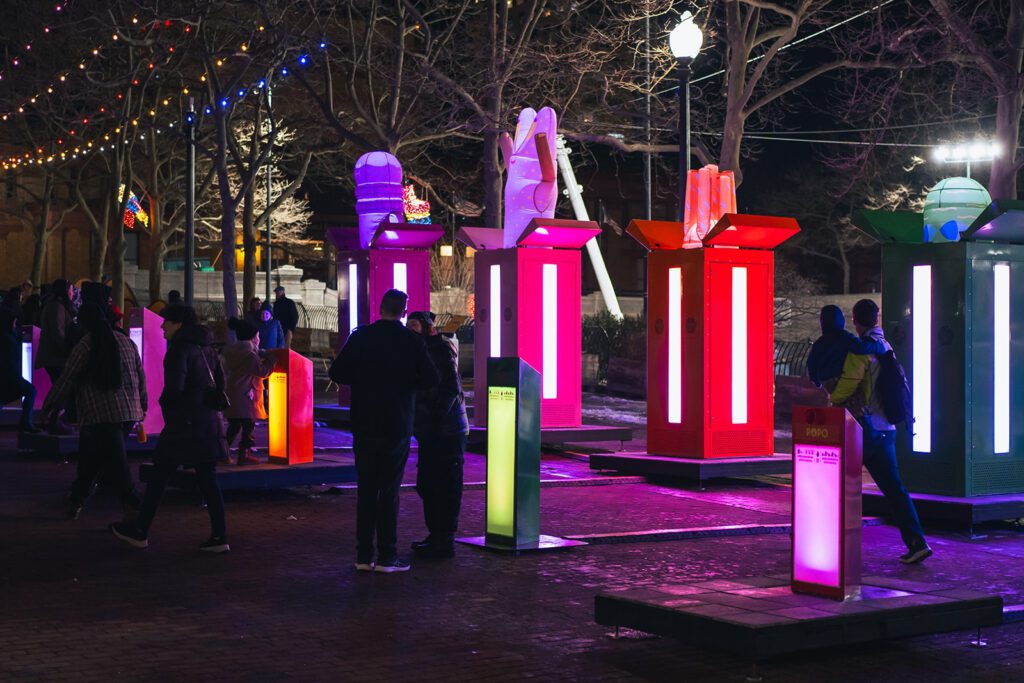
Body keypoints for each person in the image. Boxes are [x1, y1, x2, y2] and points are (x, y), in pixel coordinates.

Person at [330, 289, 439, 573]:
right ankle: (388, 555)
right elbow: (430, 378)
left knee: (366, 487)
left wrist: (365, 379)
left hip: (365, 420)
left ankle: (364, 555)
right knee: (389, 489)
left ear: (380, 307)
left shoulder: (361, 337)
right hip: (397, 421)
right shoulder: (411, 342)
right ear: (404, 312)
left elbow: (337, 373)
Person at [110, 304, 231, 553]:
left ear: (178, 324)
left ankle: (140, 530)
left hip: (183, 424)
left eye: (166, 322)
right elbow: (220, 382)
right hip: (208, 421)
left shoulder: (179, 350)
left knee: (159, 476)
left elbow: (174, 389)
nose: (162, 326)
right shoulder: (207, 346)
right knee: (208, 479)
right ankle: (220, 536)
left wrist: (167, 409)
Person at [828, 299, 932, 565]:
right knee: (895, 490)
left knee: (833, 483)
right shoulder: (886, 346)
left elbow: (845, 389)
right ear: (876, 319)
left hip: (863, 429)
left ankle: (826, 542)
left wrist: (831, 392)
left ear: (855, 319)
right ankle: (917, 542)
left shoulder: (860, 349)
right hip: (886, 430)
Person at [41, 303, 146, 520]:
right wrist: (142, 406)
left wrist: (49, 406)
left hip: (99, 414)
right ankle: (78, 500)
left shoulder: (86, 344)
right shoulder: (126, 342)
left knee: (114, 461)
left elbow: (67, 379)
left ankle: (134, 506)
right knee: (94, 458)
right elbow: (140, 375)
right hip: (129, 412)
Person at [406, 311, 468, 559]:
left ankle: (444, 540)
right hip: (432, 431)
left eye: (414, 326)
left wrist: (433, 418)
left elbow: (450, 391)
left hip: (447, 431)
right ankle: (436, 536)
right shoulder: (420, 352)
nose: (409, 331)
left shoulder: (438, 351)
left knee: (445, 485)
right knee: (428, 484)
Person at [223, 318, 274, 465]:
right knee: (248, 427)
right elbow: (262, 372)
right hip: (247, 395)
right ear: (253, 338)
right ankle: (244, 455)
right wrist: (271, 360)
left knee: (233, 426)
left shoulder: (232, 352)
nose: (259, 339)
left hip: (233, 393)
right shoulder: (249, 355)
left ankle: (222, 453)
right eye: (257, 336)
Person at [807, 304, 886, 390]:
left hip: (824, 383)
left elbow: (811, 366)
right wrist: (879, 346)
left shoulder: (819, 343)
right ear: (841, 320)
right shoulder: (844, 337)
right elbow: (862, 347)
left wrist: (818, 384)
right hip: (840, 381)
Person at [36, 279, 77, 435]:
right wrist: (68, 351)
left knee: (60, 388)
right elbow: (57, 333)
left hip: (55, 356)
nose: (73, 293)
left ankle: (53, 419)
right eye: (71, 290)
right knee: (62, 389)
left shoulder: (55, 306)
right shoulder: (57, 308)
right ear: (65, 291)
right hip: (55, 357)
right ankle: (53, 420)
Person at [0, 308, 39, 433]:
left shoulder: (7, 335)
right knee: (30, 391)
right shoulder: (8, 337)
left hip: (9, 374)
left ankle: (26, 422)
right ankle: (26, 422)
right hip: (11, 374)